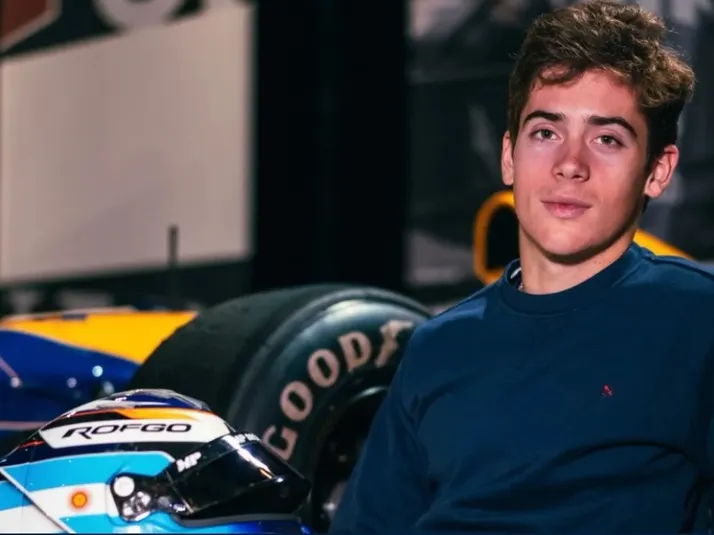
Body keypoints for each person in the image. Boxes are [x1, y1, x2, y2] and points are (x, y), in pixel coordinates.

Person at [329, 1, 712, 532]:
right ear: (509, 157)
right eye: (545, 133)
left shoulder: (695, 321)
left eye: (606, 139)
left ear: (658, 171)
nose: (570, 165)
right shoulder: (439, 346)